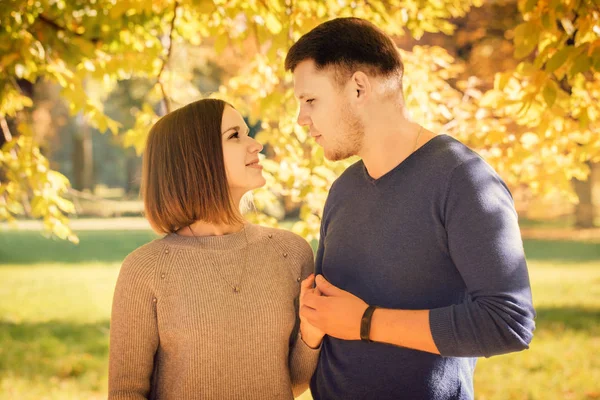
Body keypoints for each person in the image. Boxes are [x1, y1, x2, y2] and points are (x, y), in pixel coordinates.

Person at [285, 17, 536, 400]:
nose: (301, 119)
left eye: (310, 101)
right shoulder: (343, 189)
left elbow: (508, 322)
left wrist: (367, 322)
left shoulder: (463, 180)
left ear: (357, 88)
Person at [108, 98, 324, 400]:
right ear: (196, 156)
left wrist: (310, 337)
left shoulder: (291, 253)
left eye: (246, 132)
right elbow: (125, 393)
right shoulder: (146, 269)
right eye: (235, 135)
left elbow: (287, 382)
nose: (256, 145)